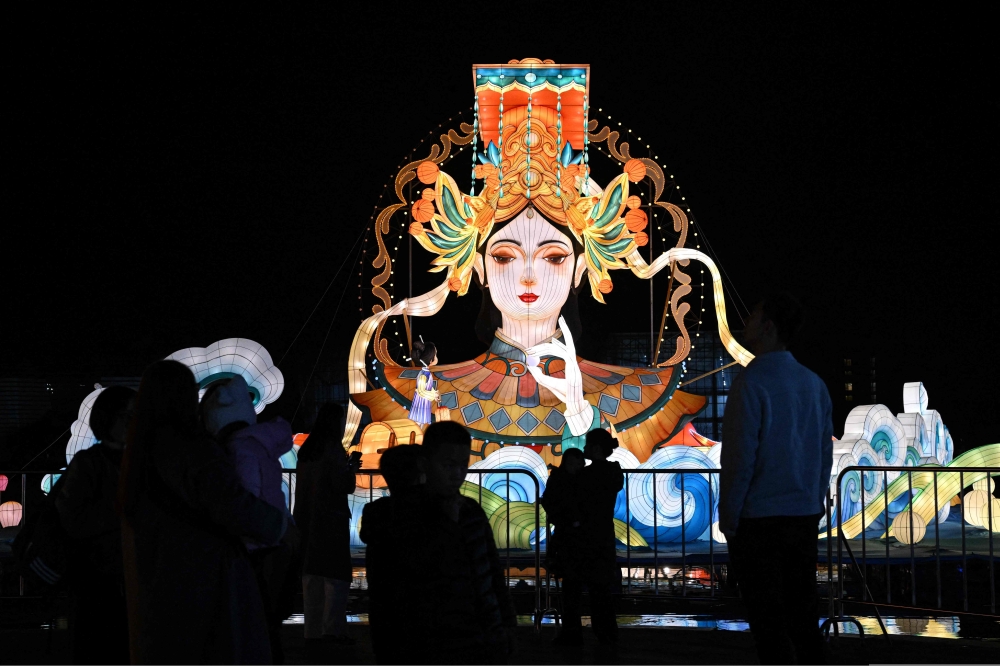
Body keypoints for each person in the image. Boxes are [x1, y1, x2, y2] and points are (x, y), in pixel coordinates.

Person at [118, 360, 287, 665]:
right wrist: (278, 524)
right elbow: (230, 504)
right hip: (206, 575)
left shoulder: (140, 450)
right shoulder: (191, 449)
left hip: (160, 574)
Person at [720, 292, 833, 665]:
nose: (746, 322)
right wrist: (815, 502)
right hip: (802, 515)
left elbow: (740, 457)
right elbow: (824, 454)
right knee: (803, 613)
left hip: (759, 520)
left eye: (753, 315)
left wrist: (730, 517)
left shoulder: (751, 383)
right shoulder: (814, 384)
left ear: (767, 328)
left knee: (767, 620)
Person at [201, 376, 298, 664]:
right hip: (279, 543)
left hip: (258, 549)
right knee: (269, 628)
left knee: (256, 627)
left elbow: (246, 501)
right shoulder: (259, 445)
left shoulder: (238, 450)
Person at [420, 421, 516, 664]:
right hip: (434, 638)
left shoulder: (471, 511)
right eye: (448, 465)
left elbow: (494, 570)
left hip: (480, 634)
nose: (457, 474)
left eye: (462, 465)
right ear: (426, 463)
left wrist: (504, 622)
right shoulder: (410, 516)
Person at [56, 385, 135, 665]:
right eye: (124, 415)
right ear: (107, 419)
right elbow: (74, 519)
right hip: (98, 578)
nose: (131, 422)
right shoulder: (90, 463)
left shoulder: (135, 461)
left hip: (120, 575)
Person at [293, 402, 361, 647]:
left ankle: (311, 630)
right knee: (336, 576)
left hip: (307, 517)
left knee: (311, 575)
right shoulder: (332, 449)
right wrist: (351, 469)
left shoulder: (308, 449)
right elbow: (342, 484)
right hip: (330, 517)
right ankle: (332, 630)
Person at [360, 445, 433, 664]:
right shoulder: (432, 510)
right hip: (423, 602)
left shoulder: (375, 510)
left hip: (384, 597)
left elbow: (366, 536)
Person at [556, 429, 623, 648]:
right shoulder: (613, 473)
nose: (584, 449)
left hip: (581, 538)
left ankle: (572, 633)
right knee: (601, 589)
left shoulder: (585, 476)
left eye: (587, 445)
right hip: (603, 535)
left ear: (594, 449)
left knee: (573, 589)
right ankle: (606, 634)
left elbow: (570, 500)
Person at [539, 448, 585, 580]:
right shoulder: (575, 479)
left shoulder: (558, 477)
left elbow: (548, 500)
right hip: (567, 523)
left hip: (564, 523)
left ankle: (552, 560)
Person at [408, 338, 439, 428]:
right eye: (435, 355)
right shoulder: (424, 375)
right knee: (417, 425)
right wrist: (433, 395)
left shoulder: (426, 373)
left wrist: (434, 393)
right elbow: (421, 391)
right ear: (430, 360)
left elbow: (427, 388)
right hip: (420, 405)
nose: (436, 357)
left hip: (423, 404)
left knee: (419, 426)